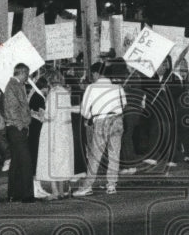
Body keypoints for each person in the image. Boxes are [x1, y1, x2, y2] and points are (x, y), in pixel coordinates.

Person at [74, 62, 125, 196]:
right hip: (117, 120)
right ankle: (111, 185)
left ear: (96, 73)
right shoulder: (118, 87)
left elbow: (84, 111)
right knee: (114, 154)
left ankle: (87, 186)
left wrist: (90, 116)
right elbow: (124, 103)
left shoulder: (91, 88)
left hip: (100, 121)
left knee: (95, 156)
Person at [35, 69, 76, 199]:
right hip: (64, 131)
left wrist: (40, 114)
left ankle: (55, 192)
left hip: (52, 130)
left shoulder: (53, 94)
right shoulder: (65, 92)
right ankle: (62, 190)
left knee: (51, 159)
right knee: (61, 160)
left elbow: (50, 115)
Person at [2, 63, 35, 203]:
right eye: (27, 74)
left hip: (16, 127)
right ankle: (26, 195)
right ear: (21, 72)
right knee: (26, 161)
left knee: (16, 162)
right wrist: (21, 126)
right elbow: (12, 109)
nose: (28, 77)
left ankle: (14, 194)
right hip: (16, 128)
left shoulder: (16, 86)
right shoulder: (13, 86)